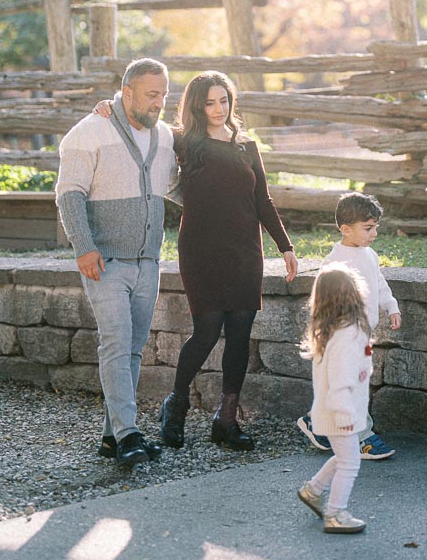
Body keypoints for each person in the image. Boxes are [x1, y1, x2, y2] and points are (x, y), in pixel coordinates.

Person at [95, 70, 298, 452]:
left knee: (239, 334)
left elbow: (263, 201)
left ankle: (226, 418)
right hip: (201, 249)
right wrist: (110, 107)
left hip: (245, 251)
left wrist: (285, 247)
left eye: (224, 101)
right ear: (196, 105)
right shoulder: (182, 142)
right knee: (206, 331)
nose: (218, 109)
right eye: (209, 102)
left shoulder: (247, 146)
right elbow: (139, 128)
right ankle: (178, 402)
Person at [56, 57, 176, 470]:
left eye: (163, 94)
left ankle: (112, 437)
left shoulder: (164, 136)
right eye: (151, 94)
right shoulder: (89, 131)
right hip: (104, 261)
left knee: (134, 350)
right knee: (115, 345)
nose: (159, 102)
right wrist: (83, 247)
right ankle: (129, 433)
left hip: (148, 261)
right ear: (126, 92)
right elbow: (68, 193)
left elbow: (175, 187)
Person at [297, 191, 401, 460]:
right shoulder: (335, 261)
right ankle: (363, 437)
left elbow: (379, 283)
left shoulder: (370, 255)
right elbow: (323, 300)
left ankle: (314, 421)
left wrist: (392, 306)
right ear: (345, 229)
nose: (374, 233)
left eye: (376, 227)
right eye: (368, 228)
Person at [296, 262, 373, 534]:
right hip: (339, 411)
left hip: (330, 410)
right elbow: (340, 380)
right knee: (351, 462)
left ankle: (313, 490)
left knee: (344, 456)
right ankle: (335, 513)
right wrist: (345, 415)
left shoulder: (329, 330)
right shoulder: (347, 333)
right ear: (352, 293)